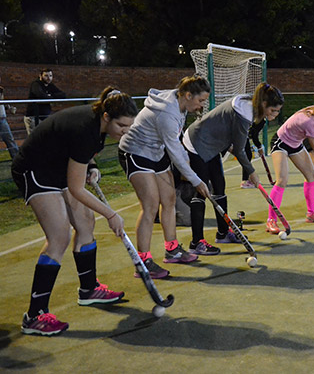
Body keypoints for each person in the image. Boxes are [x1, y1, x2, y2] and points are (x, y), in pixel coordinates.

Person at [12, 86, 137, 336]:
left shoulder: (97, 127)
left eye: (129, 127)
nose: (125, 132)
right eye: (121, 126)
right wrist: (111, 214)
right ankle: (35, 315)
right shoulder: (85, 128)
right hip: (35, 170)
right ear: (106, 117)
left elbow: (78, 152)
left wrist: (91, 165)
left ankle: (89, 290)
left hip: (57, 167)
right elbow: (77, 189)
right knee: (59, 235)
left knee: (85, 223)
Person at [118, 75, 212, 279]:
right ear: (188, 95)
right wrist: (196, 180)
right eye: (201, 100)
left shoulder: (181, 105)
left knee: (169, 199)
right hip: (135, 152)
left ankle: (172, 249)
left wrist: (188, 163)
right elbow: (175, 153)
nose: (201, 104)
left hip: (156, 151)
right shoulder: (167, 114)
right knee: (150, 205)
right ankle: (143, 262)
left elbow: (177, 144)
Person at [183, 82, 284, 252]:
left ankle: (223, 233)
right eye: (273, 111)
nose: (275, 114)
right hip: (196, 142)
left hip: (212, 144)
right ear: (264, 104)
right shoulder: (245, 112)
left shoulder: (250, 105)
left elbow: (231, 136)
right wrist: (251, 172)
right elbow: (239, 149)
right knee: (201, 192)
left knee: (219, 187)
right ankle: (196, 243)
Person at [267, 94, 314, 232]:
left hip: (296, 143)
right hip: (281, 143)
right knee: (282, 180)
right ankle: (271, 220)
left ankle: (312, 213)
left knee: (311, 175)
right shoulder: (310, 122)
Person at [24, 68, 66, 136]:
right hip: (33, 117)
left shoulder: (50, 85)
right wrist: (50, 97)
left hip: (45, 117)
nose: (49, 78)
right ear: (40, 76)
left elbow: (63, 95)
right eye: (46, 76)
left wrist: (50, 95)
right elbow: (41, 95)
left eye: (50, 76)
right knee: (35, 139)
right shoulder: (36, 84)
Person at [0, 75, 19, 158]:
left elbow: (2, 102)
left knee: (10, 140)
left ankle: (17, 159)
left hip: (2, 118)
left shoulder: (0, 89)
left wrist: (9, 107)